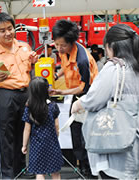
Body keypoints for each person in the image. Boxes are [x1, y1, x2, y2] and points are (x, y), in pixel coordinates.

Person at [71, 24, 139, 179]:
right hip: (133, 137)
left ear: (112, 46)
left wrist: (78, 104)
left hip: (114, 141)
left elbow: (95, 98)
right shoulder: (138, 68)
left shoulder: (114, 68)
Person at [0, 12, 37, 179]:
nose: (7, 33)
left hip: (25, 94)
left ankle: (21, 169)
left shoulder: (24, 47)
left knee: (23, 133)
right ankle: (6, 174)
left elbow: (30, 70)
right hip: (5, 96)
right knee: (5, 136)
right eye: (2, 30)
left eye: (10, 28)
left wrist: (34, 62)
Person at [51, 19, 98, 177]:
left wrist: (61, 92)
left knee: (86, 136)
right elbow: (65, 67)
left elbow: (84, 88)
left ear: (72, 42)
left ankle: (90, 171)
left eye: (62, 45)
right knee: (75, 134)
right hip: (74, 95)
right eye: (56, 44)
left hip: (88, 96)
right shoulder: (64, 51)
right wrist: (56, 75)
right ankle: (82, 167)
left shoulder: (82, 60)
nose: (58, 48)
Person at [21, 77, 63, 180]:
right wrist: (56, 135)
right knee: (55, 172)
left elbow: (27, 129)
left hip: (37, 145)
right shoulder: (53, 106)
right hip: (52, 143)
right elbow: (57, 126)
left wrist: (24, 145)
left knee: (39, 172)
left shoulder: (29, 108)